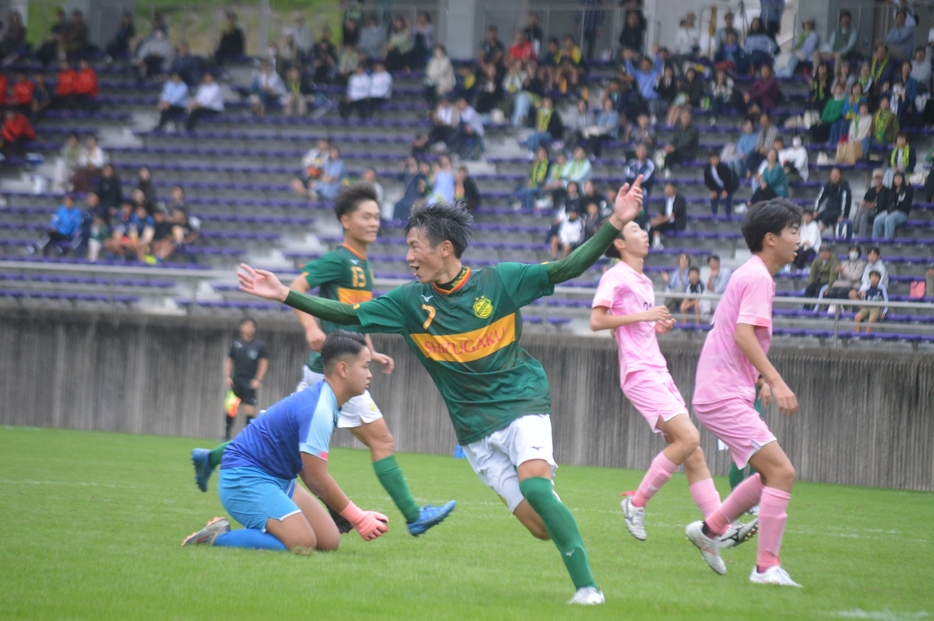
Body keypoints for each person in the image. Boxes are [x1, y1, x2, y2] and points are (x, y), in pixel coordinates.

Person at [237, 178, 651, 606]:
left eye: (416, 246)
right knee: (541, 524)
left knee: (535, 488)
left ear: (445, 249)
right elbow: (348, 313)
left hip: (522, 401)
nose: (408, 256)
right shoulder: (409, 303)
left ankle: (588, 589)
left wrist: (614, 222)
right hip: (474, 431)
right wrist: (285, 294)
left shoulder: (500, 282)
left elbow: (567, 268)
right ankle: (549, 502)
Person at [197, 186, 457, 538]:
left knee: (279, 431)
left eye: (377, 216)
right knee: (380, 440)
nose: (374, 222)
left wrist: (369, 350)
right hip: (333, 371)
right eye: (366, 216)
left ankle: (211, 458)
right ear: (345, 221)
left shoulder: (363, 265)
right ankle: (412, 515)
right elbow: (297, 285)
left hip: (343, 363)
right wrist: (309, 328)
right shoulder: (339, 259)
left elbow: (356, 316)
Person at [591, 222, 757, 546]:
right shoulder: (614, 276)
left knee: (692, 451)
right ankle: (635, 504)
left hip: (658, 369)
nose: (644, 232)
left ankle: (715, 532)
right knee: (690, 437)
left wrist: (654, 326)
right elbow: (598, 320)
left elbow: (626, 327)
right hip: (639, 373)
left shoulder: (645, 282)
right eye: (636, 229)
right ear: (621, 244)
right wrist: (644, 317)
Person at [183, 331, 392, 552]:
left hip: (278, 480)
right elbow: (317, 476)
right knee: (302, 542)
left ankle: (272, 527)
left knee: (329, 541)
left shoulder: (327, 401)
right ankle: (216, 537)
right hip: (243, 479)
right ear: (343, 369)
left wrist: (338, 510)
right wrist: (358, 517)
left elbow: (305, 465)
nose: (370, 374)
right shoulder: (319, 409)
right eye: (366, 366)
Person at [686, 199, 803, 587]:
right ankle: (766, 567)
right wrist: (775, 380)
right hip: (721, 394)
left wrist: (757, 380)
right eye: (793, 231)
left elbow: (735, 337)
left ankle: (711, 529)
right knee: (782, 472)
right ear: (770, 239)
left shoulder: (751, 274)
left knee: (773, 474)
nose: (798, 239)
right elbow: (742, 334)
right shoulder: (758, 277)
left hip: (723, 391)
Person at [222, 318, 268, 440]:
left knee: (249, 409)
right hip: (236, 381)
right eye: (247, 326)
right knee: (231, 408)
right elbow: (229, 361)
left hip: (250, 382)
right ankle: (226, 435)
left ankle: (248, 437)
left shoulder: (259, 346)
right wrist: (227, 376)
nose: (249, 328)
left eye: (252, 326)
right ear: (241, 327)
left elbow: (263, 363)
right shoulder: (236, 344)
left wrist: (258, 379)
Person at [873, 171, 912, 240]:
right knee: (877, 219)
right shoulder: (892, 190)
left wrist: (896, 210)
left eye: (900, 179)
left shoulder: (908, 190)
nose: (897, 180)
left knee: (889, 219)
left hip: (902, 213)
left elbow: (906, 205)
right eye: (896, 178)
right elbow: (889, 204)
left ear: (903, 180)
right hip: (891, 211)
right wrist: (888, 211)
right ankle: (874, 242)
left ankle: (887, 242)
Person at [813, 167, 852, 232]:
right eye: (833, 175)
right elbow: (820, 197)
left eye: (836, 175)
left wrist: (843, 215)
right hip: (828, 210)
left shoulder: (844, 187)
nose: (834, 177)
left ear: (840, 176)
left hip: (838, 212)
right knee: (813, 217)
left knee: (827, 217)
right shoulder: (828, 185)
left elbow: (846, 202)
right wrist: (815, 209)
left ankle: (815, 238)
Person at [650, 181, 686, 250]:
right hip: (667, 222)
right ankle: (656, 243)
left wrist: (658, 222)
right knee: (653, 225)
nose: (667, 190)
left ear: (674, 189)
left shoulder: (680, 199)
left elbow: (672, 216)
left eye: (669, 188)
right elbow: (661, 213)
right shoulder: (666, 200)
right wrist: (655, 220)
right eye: (666, 188)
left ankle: (656, 243)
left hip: (676, 223)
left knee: (658, 224)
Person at [514, 146, 550, 211]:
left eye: (543, 153)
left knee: (529, 191)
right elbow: (531, 176)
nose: (541, 154)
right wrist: (529, 180)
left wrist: (545, 182)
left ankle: (528, 209)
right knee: (522, 190)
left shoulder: (548, 164)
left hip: (542, 185)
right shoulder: (535, 163)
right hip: (533, 184)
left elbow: (549, 177)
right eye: (540, 152)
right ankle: (523, 207)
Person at [855, 170, 890, 237]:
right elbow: (865, 201)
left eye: (879, 178)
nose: (877, 180)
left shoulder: (886, 191)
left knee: (861, 209)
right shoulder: (871, 190)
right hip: (869, 211)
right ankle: (861, 239)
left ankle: (855, 228)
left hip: (881, 212)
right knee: (863, 216)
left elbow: (884, 205)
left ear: (882, 179)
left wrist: (872, 205)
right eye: (875, 178)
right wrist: (867, 204)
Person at [705, 152, 738, 216]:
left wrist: (726, 190)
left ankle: (728, 214)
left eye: (716, 158)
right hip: (717, 187)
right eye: (713, 159)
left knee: (727, 197)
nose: (715, 160)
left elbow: (729, 180)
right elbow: (708, 181)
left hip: (729, 187)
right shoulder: (708, 169)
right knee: (713, 197)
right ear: (710, 160)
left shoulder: (724, 168)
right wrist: (712, 190)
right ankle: (714, 215)